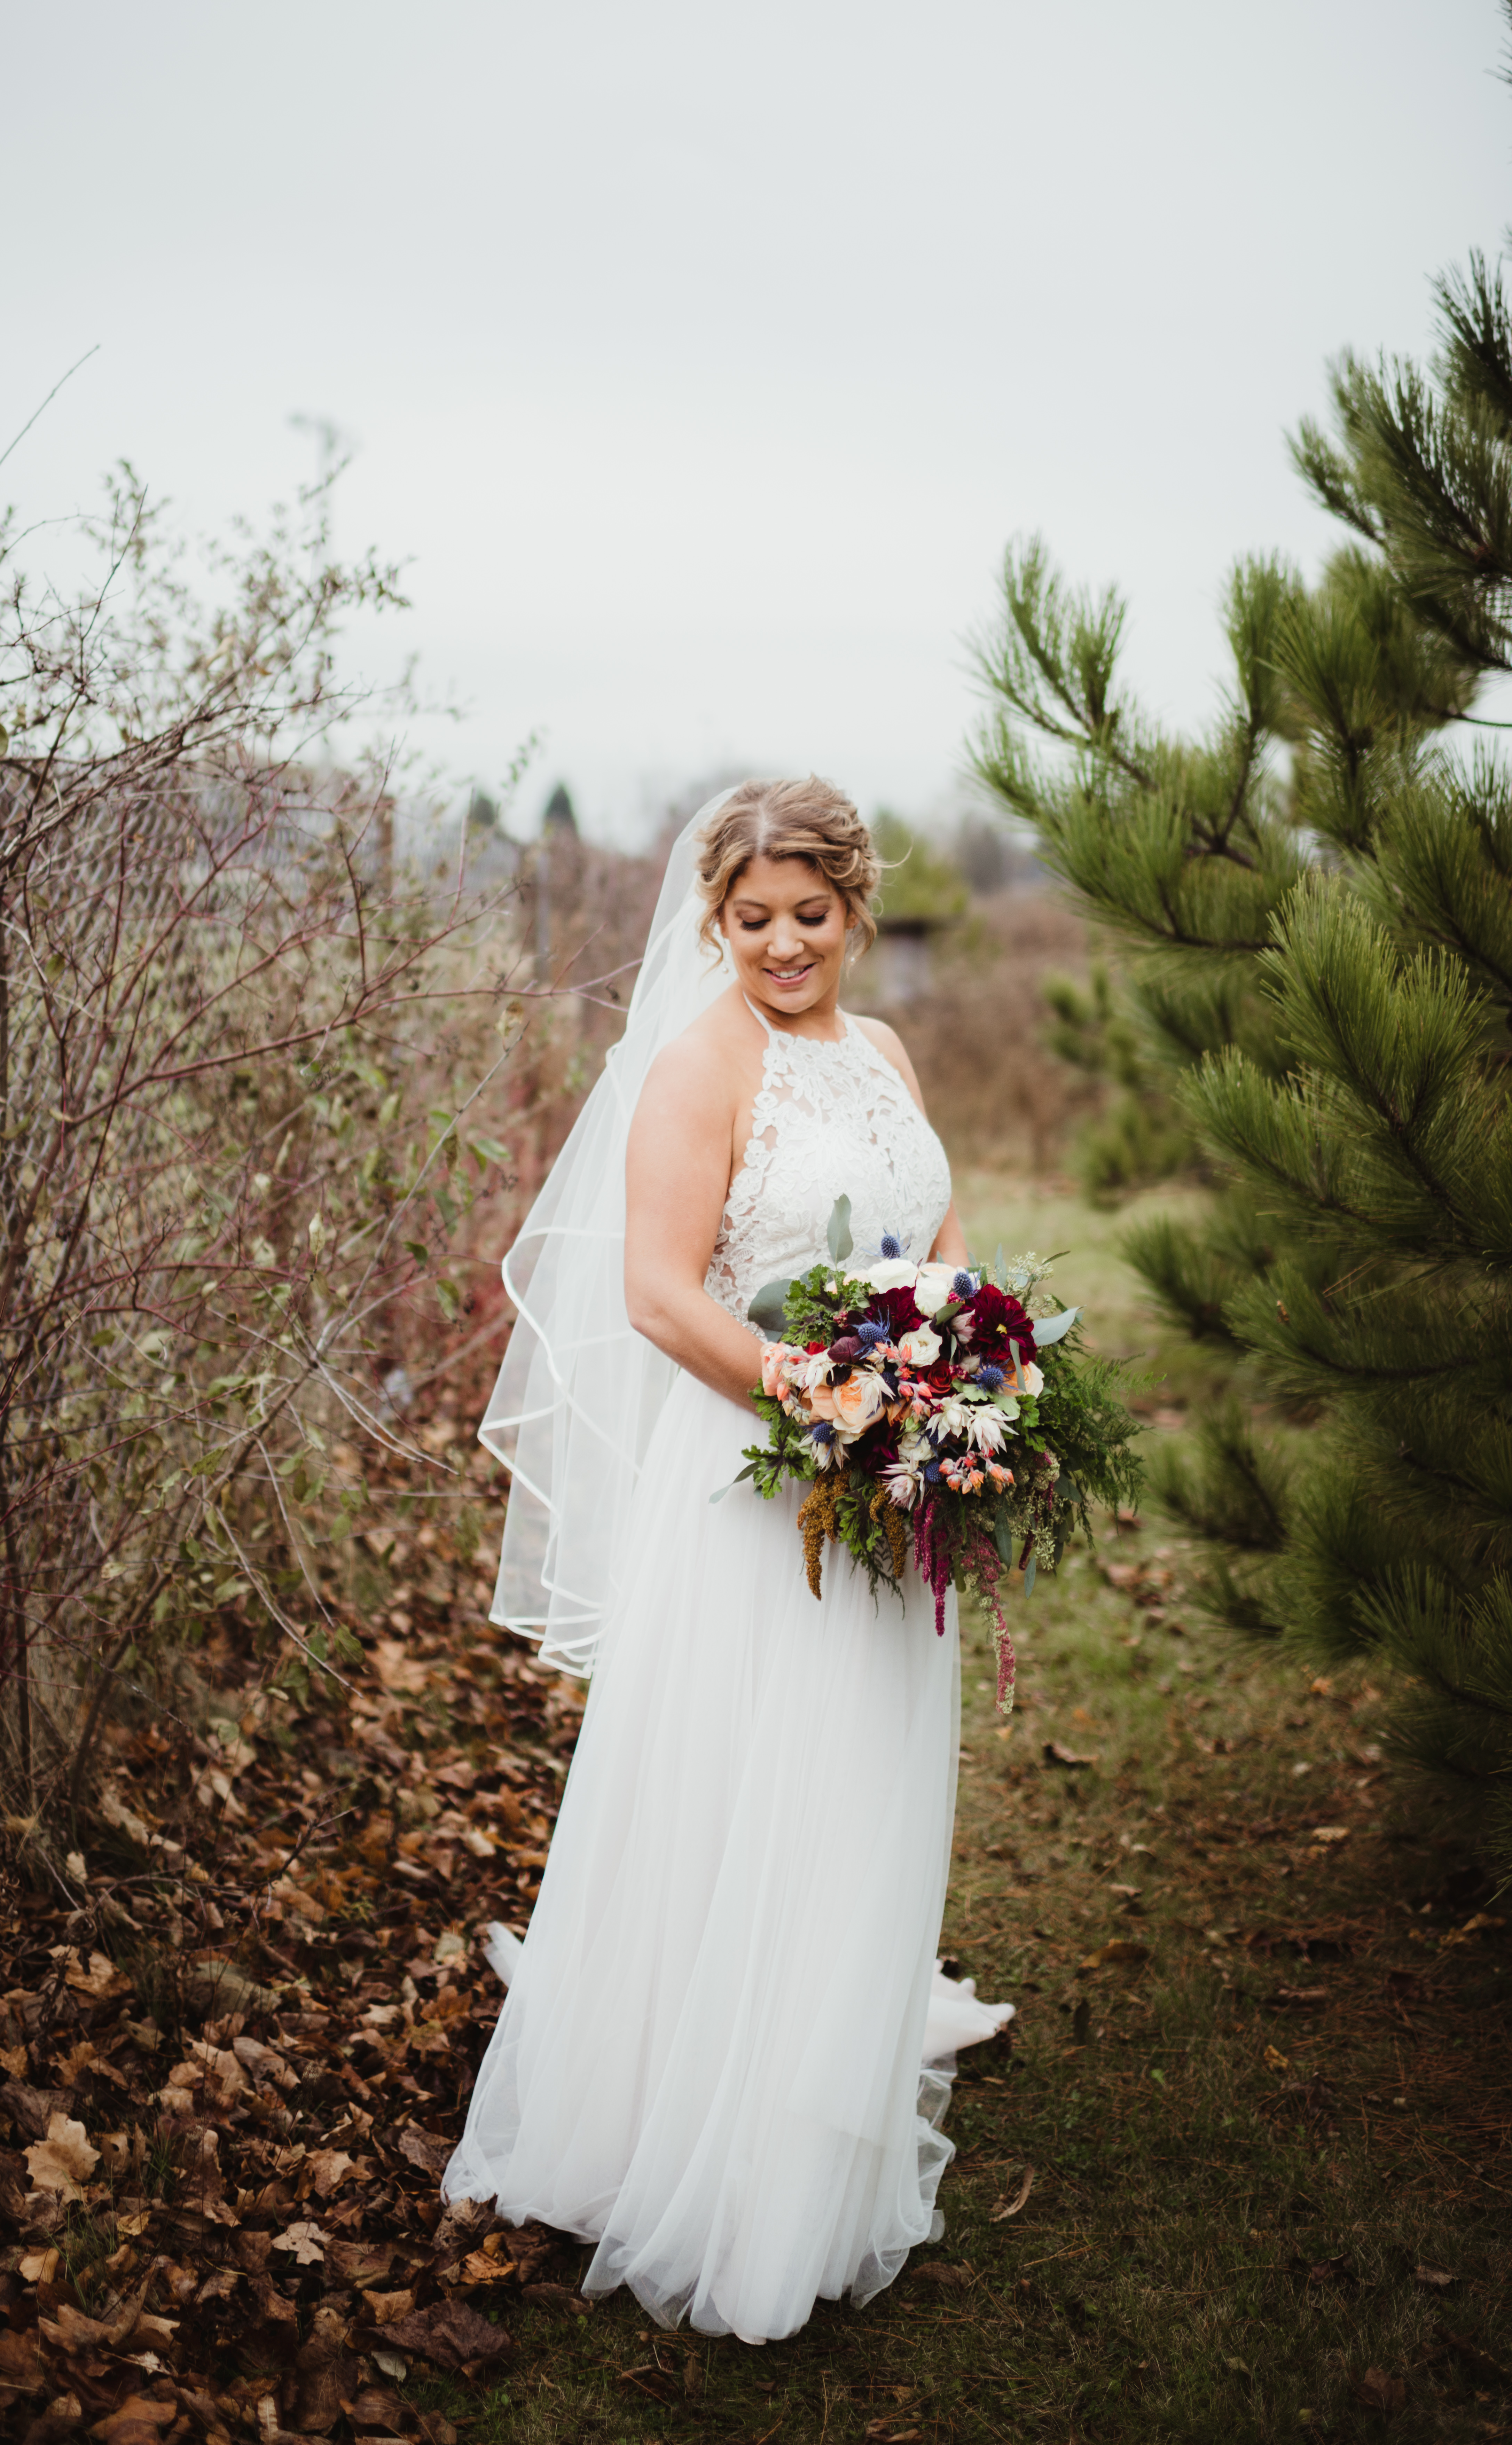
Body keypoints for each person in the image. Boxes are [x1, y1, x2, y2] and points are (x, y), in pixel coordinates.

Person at [443, 777, 1012, 2344]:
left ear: (854, 911)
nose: (780, 944)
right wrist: (818, 1393)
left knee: (855, 1780)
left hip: (882, 1475)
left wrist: (956, 1359)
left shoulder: (882, 1052)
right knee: (745, 1780)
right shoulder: (697, 1066)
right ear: (716, 919)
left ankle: (818, 2069)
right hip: (756, 1481)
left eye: (809, 917)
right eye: (751, 919)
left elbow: (937, 1214)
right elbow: (654, 1292)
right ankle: (707, 2139)